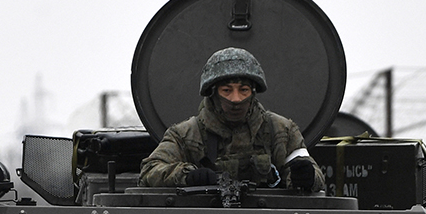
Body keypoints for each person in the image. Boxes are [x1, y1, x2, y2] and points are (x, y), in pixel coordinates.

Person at [139, 47, 324, 191]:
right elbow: (150, 171)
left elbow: (316, 175)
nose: (236, 99)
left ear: (253, 92)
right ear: (213, 93)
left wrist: (305, 176)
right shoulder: (186, 134)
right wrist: (187, 176)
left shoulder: (281, 130)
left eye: (243, 90)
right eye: (226, 90)